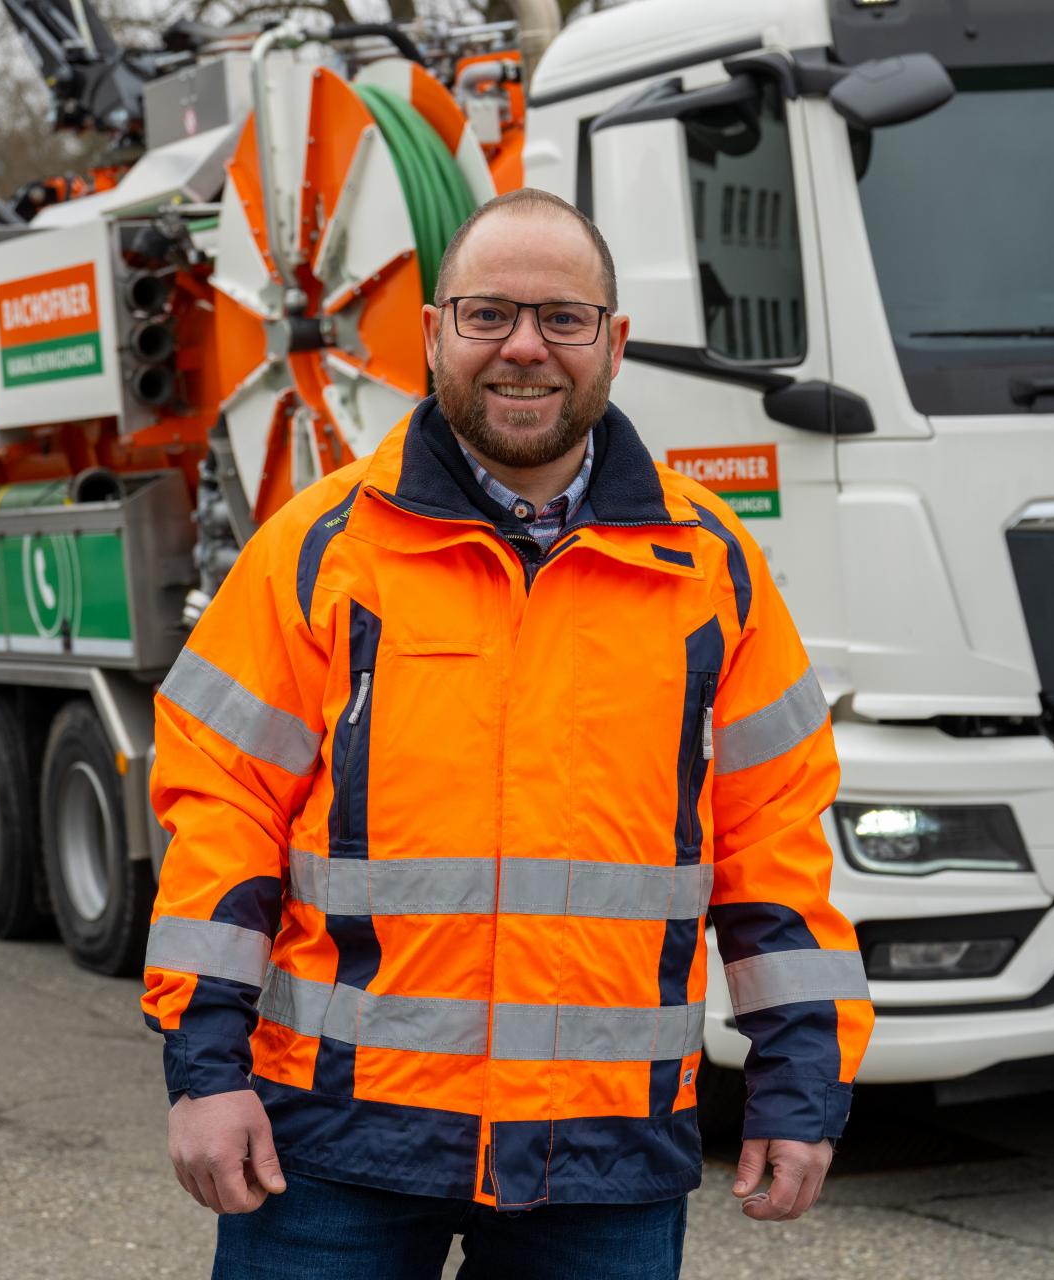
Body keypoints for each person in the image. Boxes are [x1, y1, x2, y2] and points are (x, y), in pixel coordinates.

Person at [143, 188, 871, 1278]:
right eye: (488, 314)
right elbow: (222, 814)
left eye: (562, 319)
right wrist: (206, 1071)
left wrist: (799, 1083)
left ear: (613, 344)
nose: (525, 348)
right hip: (335, 1146)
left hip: (602, 1157)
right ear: (432, 331)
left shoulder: (710, 569)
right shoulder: (318, 553)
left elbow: (777, 842)